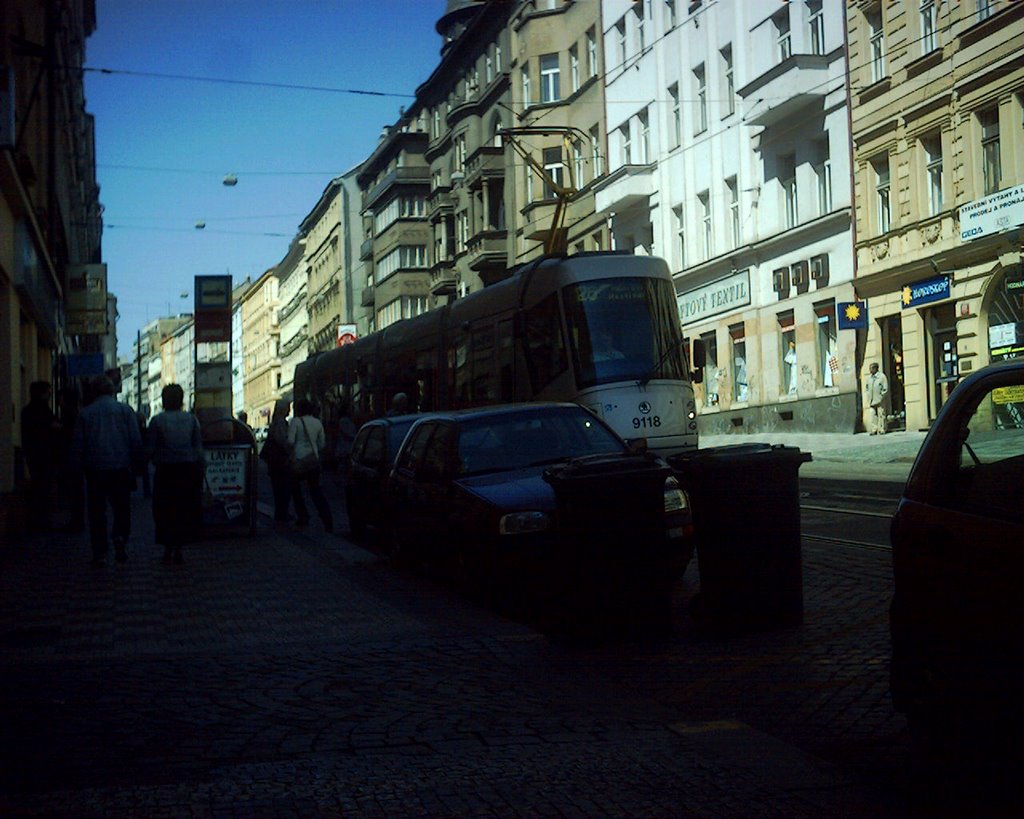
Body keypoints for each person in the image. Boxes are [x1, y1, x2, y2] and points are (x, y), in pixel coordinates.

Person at [71, 375, 143, 565]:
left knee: (97, 512)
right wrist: (136, 464)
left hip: (95, 469)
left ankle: (100, 552)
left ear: (94, 392)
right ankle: (120, 536)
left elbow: (78, 445)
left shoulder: (85, 413)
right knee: (121, 508)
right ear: (112, 391)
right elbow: (135, 440)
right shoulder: (125, 411)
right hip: (120, 467)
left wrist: (76, 468)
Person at [148, 384, 203, 564]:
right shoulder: (191, 420)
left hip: (165, 471)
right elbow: (198, 449)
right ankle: (179, 548)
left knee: (164, 511)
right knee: (183, 510)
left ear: (164, 400)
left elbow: (150, 448)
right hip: (187, 470)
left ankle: (167, 548)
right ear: (181, 400)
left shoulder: (157, 421)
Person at [288, 398, 333, 533]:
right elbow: (322, 444)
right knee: (316, 491)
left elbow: (290, 441)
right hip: (313, 461)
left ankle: (303, 516)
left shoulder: (295, 422)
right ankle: (327, 520)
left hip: (299, 461)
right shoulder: (317, 422)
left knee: (296, 490)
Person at [21, 381, 59, 531]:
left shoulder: (27, 410)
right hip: (45, 454)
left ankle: (34, 519)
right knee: (44, 487)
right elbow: (53, 426)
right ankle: (42, 520)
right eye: (48, 392)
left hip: (32, 453)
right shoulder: (43, 410)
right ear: (42, 393)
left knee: (36, 485)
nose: (50, 395)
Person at [260, 398, 293, 524]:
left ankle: (280, 514)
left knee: (279, 489)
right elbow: (282, 441)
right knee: (283, 488)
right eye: (288, 407)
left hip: (275, 462)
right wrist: (290, 449)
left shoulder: (276, 422)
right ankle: (282, 515)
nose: (289, 410)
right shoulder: (280, 423)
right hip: (280, 461)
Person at [865, 362, 889, 435]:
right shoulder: (869, 378)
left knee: (881, 415)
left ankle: (882, 429)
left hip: (879, 400)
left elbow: (885, 388)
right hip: (872, 400)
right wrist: (868, 396)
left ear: (876, 368)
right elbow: (867, 388)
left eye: (871, 368)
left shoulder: (882, 377)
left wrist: (881, 396)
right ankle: (874, 429)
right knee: (873, 415)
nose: (870, 370)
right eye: (870, 368)